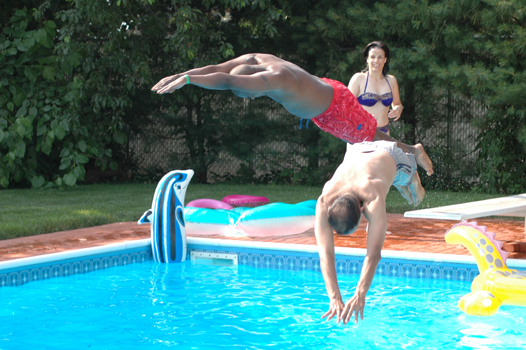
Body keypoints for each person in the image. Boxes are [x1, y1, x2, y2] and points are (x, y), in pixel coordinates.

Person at [152, 53, 433, 175]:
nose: (250, 97)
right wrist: (183, 74)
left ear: (252, 84)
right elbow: (221, 68)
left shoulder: (272, 78)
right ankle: (410, 153)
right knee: (367, 140)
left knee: (370, 139)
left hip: (334, 108)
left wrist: (188, 81)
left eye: (248, 94)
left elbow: (227, 81)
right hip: (324, 99)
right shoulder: (257, 61)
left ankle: (413, 150)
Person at [314, 140, 425, 325]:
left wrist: (360, 294)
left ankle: (414, 169)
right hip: (356, 148)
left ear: (363, 210)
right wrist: (334, 297)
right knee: (389, 182)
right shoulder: (324, 201)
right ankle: (397, 179)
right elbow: (325, 254)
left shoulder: (372, 197)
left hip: (391, 153)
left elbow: (373, 255)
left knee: (413, 192)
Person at [349, 41, 402, 135]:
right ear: (367, 59)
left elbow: (397, 104)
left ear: (385, 59)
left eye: (380, 57)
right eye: (372, 57)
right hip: (361, 132)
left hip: (384, 132)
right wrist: (361, 117)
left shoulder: (391, 81)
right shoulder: (358, 79)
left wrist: (397, 110)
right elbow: (345, 108)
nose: (376, 61)